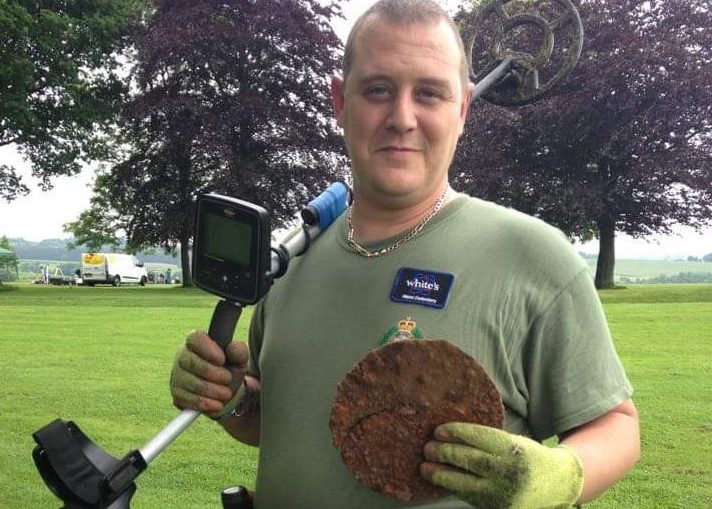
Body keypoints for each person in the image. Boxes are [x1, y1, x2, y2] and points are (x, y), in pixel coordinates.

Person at [170, 1, 640, 507]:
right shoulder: (291, 260)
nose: (402, 118)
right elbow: (282, 428)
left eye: (430, 93)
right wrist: (233, 398)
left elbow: (615, 426)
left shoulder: (532, 256)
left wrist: (559, 476)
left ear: (462, 110)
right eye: (378, 90)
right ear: (339, 101)